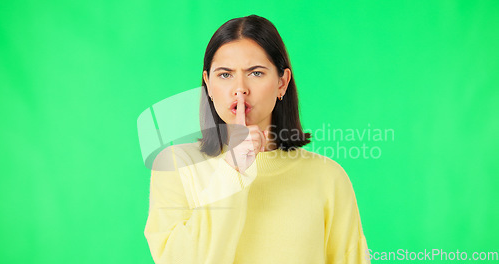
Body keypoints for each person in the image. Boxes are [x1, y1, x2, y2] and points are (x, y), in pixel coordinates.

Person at [144, 14, 370, 264]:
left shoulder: (328, 177)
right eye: (225, 75)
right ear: (208, 84)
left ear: (282, 83)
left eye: (256, 73)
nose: (240, 88)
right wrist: (233, 170)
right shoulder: (176, 165)